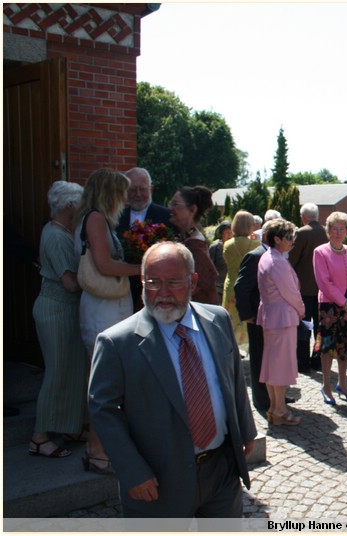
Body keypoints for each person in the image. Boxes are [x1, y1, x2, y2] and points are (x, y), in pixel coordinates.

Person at [88, 241, 257, 519]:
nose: (162, 293)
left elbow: (234, 378)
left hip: (221, 472)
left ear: (193, 281)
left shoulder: (217, 319)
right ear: (142, 281)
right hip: (157, 481)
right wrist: (132, 471)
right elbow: (102, 409)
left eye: (174, 282)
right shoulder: (116, 342)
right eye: (153, 283)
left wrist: (246, 428)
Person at [74, 168, 141, 475]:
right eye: (122, 192)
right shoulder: (97, 218)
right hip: (104, 308)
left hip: (104, 307)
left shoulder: (91, 218)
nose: (126, 199)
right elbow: (104, 264)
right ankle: (97, 450)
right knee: (104, 383)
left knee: (103, 380)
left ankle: (99, 447)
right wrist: (143, 267)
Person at [29, 181, 87, 459]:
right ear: (70, 206)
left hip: (63, 310)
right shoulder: (55, 236)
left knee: (71, 370)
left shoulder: (62, 232)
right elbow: (71, 283)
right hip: (56, 310)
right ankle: (39, 437)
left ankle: (69, 426)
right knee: (57, 372)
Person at [257, 219, 305, 426]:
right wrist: (302, 311)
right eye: (289, 238)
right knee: (280, 366)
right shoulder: (276, 261)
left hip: (273, 316)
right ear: (276, 239)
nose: (292, 241)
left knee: (272, 364)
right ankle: (279, 410)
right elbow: (291, 293)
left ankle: (275, 408)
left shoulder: (268, 257)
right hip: (282, 318)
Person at [313, 211, 347, 405]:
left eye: (341, 229)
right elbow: (323, 282)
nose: (337, 232)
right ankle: (326, 386)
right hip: (329, 306)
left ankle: (343, 384)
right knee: (327, 347)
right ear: (328, 230)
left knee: (346, 346)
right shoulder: (320, 252)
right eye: (334, 228)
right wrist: (344, 303)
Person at [116, 167, 175, 311]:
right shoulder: (116, 216)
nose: (138, 194)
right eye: (132, 189)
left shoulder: (167, 216)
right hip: (123, 286)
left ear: (151, 189)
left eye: (142, 189)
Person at [233, 224, 272, 414]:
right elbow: (240, 287)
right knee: (259, 358)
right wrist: (247, 314)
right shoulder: (255, 255)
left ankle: (275, 396)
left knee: (272, 359)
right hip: (257, 317)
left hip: (273, 318)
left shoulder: (277, 255)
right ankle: (262, 400)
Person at [287, 203, 328, 372]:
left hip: (304, 288)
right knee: (320, 328)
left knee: (303, 326)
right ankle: (317, 359)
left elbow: (291, 260)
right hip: (324, 288)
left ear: (304, 217)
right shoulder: (328, 232)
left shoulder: (301, 233)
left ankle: (302, 362)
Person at [168, 186, 218, 305]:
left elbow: (207, 277)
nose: (170, 208)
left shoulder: (195, 245)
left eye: (175, 204)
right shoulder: (187, 238)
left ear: (192, 209)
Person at [222, 210, 260, 345]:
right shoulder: (255, 244)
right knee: (246, 316)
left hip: (231, 282)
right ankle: (246, 344)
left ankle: (231, 344)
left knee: (231, 317)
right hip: (249, 285)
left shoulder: (227, 244)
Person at [208, 220, 232, 303]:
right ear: (222, 234)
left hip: (230, 286)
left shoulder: (234, 247)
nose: (230, 235)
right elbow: (209, 267)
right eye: (227, 232)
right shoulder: (215, 247)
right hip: (217, 287)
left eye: (231, 232)